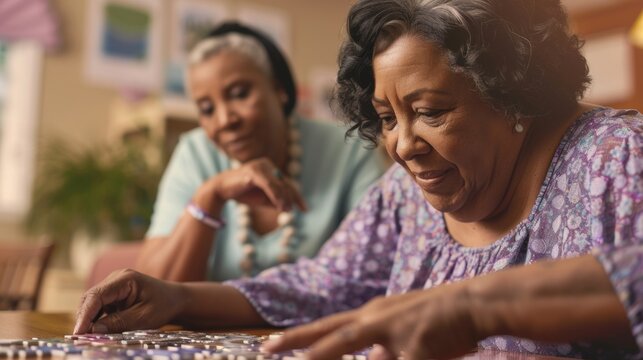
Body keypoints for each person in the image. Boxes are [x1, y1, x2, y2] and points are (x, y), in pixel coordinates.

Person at [75, 0, 643, 358]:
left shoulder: (617, 156)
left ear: (512, 91)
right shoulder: (405, 196)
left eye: (431, 111)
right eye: (387, 118)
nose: (401, 145)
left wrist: (471, 306)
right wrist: (175, 296)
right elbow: (323, 285)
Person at [134, 22, 388, 282]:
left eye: (239, 94)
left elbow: (376, 272)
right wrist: (210, 197)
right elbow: (152, 288)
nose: (224, 120)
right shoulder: (195, 152)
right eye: (207, 109)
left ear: (279, 90)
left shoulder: (350, 149)